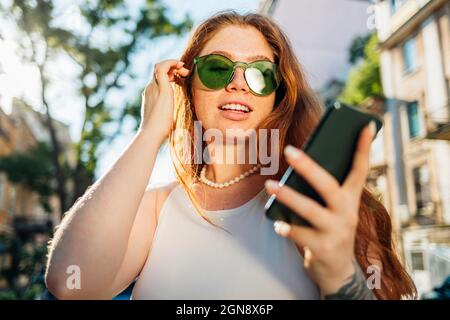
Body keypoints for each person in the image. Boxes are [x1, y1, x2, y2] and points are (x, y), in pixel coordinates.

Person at [45, 11, 417, 300]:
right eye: (217, 68)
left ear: (278, 95)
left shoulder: (321, 203)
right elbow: (72, 283)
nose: (238, 82)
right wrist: (151, 132)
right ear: (186, 87)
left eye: (260, 74)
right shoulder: (159, 209)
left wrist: (341, 276)